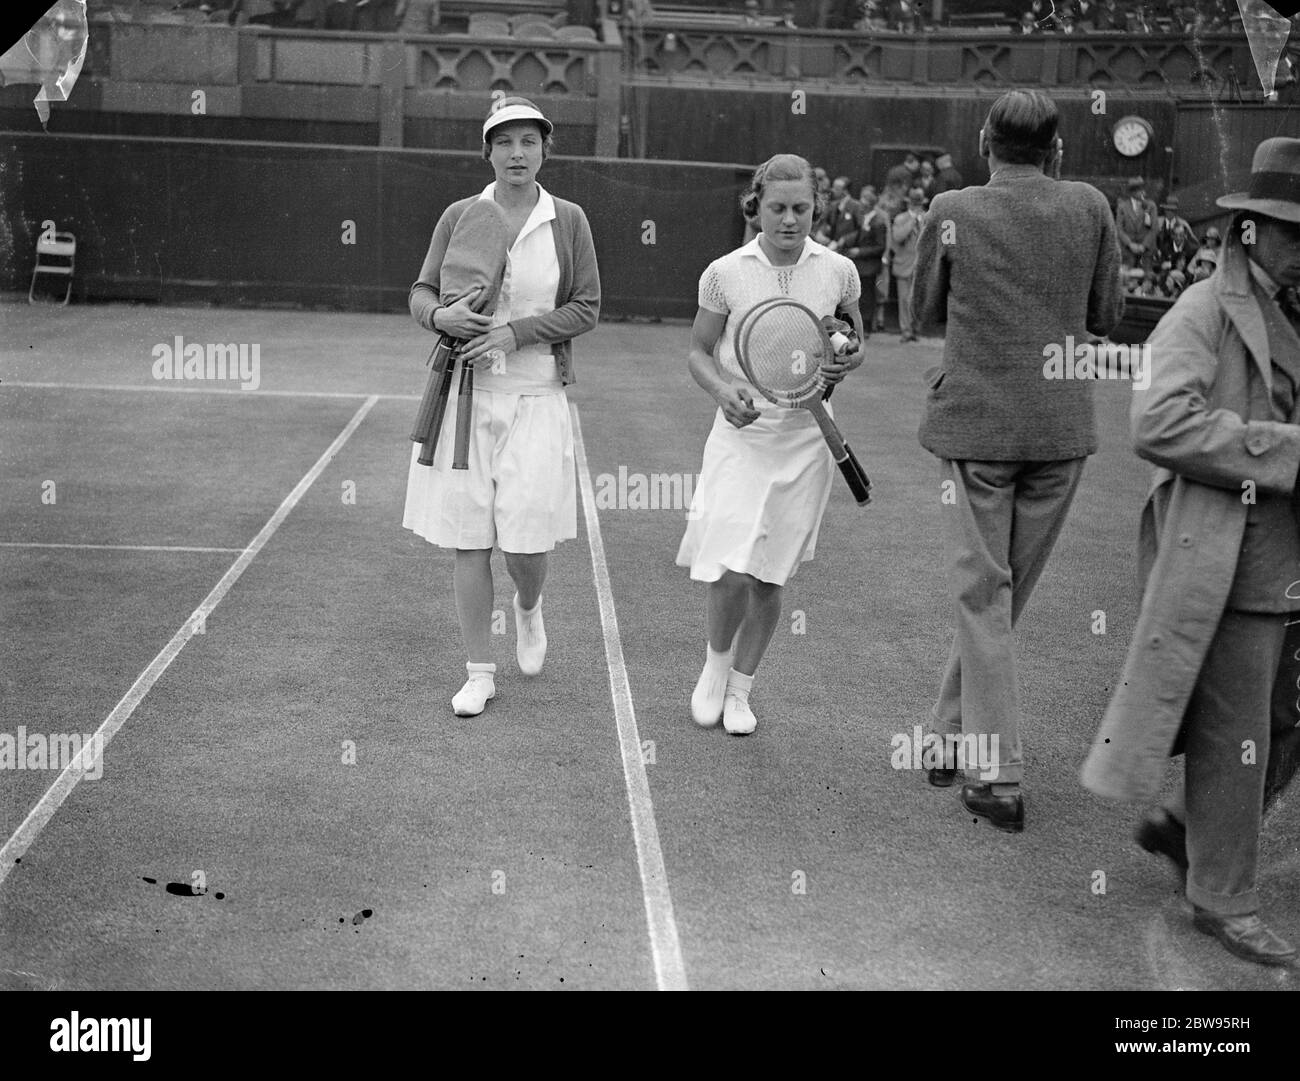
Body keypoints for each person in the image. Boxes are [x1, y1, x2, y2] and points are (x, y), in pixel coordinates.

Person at [1081, 137, 1300, 967]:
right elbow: (1157, 424)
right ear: (1248, 230)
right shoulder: (1203, 312)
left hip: (1287, 561)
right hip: (1238, 564)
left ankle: (1183, 828)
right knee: (1235, 736)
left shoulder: (1293, 302)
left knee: (1284, 722)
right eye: (1290, 230)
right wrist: (1286, 449)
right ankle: (1222, 898)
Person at [912, 88, 1124, 831]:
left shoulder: (953, 209)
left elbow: (921, 314)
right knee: (997, 600)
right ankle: (942, 735)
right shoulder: (1092, 205)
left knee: (983, 598)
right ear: (1057, 148)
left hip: (978, 427)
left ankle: (994, 770)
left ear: (984, 141)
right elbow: (1106, 315)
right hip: (1060, 430)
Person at [404, 97, 601, 717]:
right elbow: (421, 290)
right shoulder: (462, 213)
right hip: (466, 397)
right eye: (505, 142)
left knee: (523, 545)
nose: (518, 153)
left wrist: (517, 333)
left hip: (537, 397)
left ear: (546, 149)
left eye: (529, 141)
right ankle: (478, 671)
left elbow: (587, 307)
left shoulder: (568, 219)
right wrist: (440, 315)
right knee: (470, 539)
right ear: (487, 151)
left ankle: (528, 606)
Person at [679, 154, 865, 736]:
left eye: (801, 209)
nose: (789, 220)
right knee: (731, 565)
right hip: (742, 434)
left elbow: (854, 341)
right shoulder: (725, 272)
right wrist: (722, 392)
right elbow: (698, 352)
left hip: (808, 441)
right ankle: (713, 671)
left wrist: (848, 360)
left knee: (769, 577)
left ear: (815, 208)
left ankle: (741, 690)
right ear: (755, 207)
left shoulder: (838, 270)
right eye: (777, 208)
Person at [845, 188, 888, 335]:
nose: (861, 204)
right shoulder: (862, 218)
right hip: (858, 265)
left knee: (867, 296)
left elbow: (880, 247)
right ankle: (858, 325)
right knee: (858, 295)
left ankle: (867, 326)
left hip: (869, 266)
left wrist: (860, 252)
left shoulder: (879, 222)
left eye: (864, 202)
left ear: (870, 204)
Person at [890, 187, 927, 343]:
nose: (917, 205)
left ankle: (916, 330)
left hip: (922, 266)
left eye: (919, 202)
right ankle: (906, 331)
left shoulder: (928, 217)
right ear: (909, 203)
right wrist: (912, 221)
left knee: (919, 299)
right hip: (904, 265)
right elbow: (898, 237)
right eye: (915, 202)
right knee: (904, 299)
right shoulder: (900, 219)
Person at [1116, 176, 1159, 272]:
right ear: (1132, 192)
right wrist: (1130, 244)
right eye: (1138, 189)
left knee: (1148, 277)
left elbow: (1154, 228)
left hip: (1146, 252)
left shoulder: (1151, 206)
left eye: (1142, 188)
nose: (1142, 192)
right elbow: (1119, 229)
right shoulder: (1122, 207)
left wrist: (1143, 246)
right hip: (1127, 251)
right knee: (1125, 277)